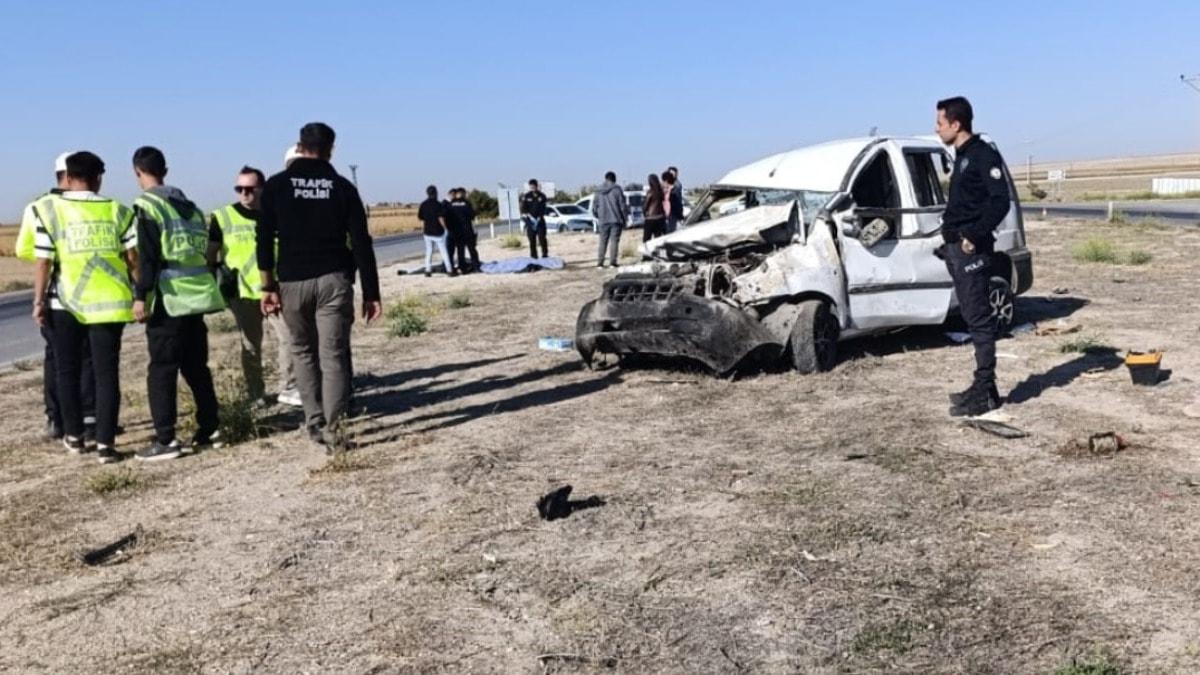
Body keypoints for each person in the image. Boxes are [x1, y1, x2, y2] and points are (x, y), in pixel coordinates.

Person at [257, 122, 383, 454]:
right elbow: (361, 243)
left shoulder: (276, 186)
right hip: (333, 280)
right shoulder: (342, 187)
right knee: (333, 356)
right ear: (332, 149)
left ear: (299, 146)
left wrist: (267, 286)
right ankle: (335, 430)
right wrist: (371, 293)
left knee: (302, 351)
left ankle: (314, 422)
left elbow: (263, 240)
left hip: (292, 281)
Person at [30, 151, 136, 464]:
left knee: (67, 371)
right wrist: (142, 294)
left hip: (65, 303)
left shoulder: (49, 209)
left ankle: (74, 436)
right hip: (109, 304)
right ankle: (105, 444)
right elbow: (133, 260)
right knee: (106, 374)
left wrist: (38, 301)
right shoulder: (118, 210)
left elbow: (43, 261)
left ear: (67, 177)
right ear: (99, 178)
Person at [131, 146, 227, 461]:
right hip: (196, 297)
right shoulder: (191, 208)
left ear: (137, 172)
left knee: (162, 370)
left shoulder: (147, 205)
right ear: (165, 171)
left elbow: (148, 257)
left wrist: (140, 296)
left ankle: (165, 439)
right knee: (196, 367)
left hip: (169, 298)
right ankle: (211, 429)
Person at [936, 96, 1011, 417]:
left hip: (972, 250)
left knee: (979, 320)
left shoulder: (982, 154)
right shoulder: (962, 156)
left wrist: (973, 236)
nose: (936, 128)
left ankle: (985, 391)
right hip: (956, 248)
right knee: (971, 316)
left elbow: (1000, 202)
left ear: (956, 124)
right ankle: (984, 387)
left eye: (940, 123)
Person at [17, 152, 98, 441]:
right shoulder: (83, 204)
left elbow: (24, 249)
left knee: (57, 358)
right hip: (78, 291)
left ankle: (58, 419)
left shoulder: (37, 206)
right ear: (71, 175)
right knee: (85, 357)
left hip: (55, 293)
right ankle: (87, 418)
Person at [207, 166, 300, 407]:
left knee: (290, 337)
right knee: (250, 345)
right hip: (243, 293)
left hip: (276, 291)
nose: (244, 193)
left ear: (263, 189)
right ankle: (256, 394)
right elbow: (211, 255)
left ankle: (290, 387)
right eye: (239, 189)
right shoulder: (223, 217)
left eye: (249, 188)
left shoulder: (278, 214)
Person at [592, 171, 628, 268]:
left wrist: (598, 215)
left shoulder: (598, 191)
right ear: (614, 179)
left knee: (602, 241)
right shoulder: (617, 189)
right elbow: (622, 206)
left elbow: (594, 207)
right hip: (616, 219)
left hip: (603, 220)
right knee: (614, 241)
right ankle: (612, 262)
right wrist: (625, 218)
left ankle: (600, 263)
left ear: (606, 178)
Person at [417, 185, 453, 277]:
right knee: (443, 251)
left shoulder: (423, 204)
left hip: (427, 232)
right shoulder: (438, 204)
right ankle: (449, 270)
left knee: (429, 252)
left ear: (427, 193)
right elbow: (441, 218)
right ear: (436, 193)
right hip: (438, 233)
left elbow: (420, 217)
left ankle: (427, 270)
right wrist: (446, 228)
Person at [449, 188, 480, 273]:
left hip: (457, 231)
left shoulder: (451, 204)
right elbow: (472, 215)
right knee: (472, 249)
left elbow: (448, 217)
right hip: (467, 230)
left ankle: (462, 268)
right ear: (463, 193)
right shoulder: (467, 203)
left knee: (460, 251)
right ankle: (476, 267)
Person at [520, 179, 549, 258]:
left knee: (542, 238)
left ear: (536, 186)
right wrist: (529, 216)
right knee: (532, 240)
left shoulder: (542, 196)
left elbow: (544, 208)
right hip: (530, 221)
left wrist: (540, 217)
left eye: (533, 186)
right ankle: (534, 256)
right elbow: (523, 209)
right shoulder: (526, 196)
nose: (532, 187)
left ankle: (545, 254)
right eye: (531, 186)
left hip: (540, 221)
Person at [642, 173, 667, 242]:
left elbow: (645, 205)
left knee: (646, 239)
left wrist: (644, 213)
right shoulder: (660, 192)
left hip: (650, 218)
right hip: (660, 217)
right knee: (658, 239)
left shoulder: (650, 192)